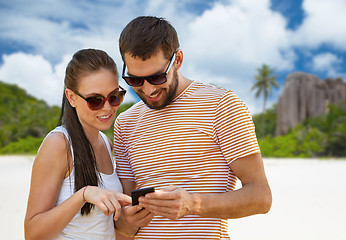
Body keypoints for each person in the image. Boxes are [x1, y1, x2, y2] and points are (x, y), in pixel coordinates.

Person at [114, 16, 272, 239]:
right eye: (135, 80)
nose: (148, 90)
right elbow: (125, 214)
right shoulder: (125, 123)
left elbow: (261, 197)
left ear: (177, 59)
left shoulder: (222, 105)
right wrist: (125, 220)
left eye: (157, 77)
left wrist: (194, 204)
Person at [24, 49, 132, 240]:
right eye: (95, 100)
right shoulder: (59, 144)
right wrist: (83, 195)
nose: (107, 108)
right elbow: (33, 233)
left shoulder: (106, 143)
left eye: (114, 96)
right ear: (72, 97)